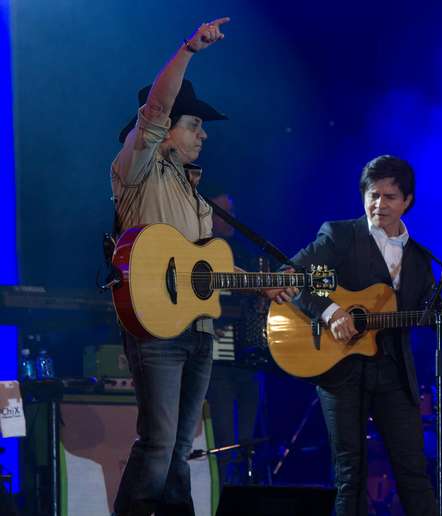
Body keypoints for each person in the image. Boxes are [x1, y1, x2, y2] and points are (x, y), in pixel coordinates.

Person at [268, 155, 442, 515]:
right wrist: (332, 311)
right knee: (350, 475)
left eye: (390, 197)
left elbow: (434, 313)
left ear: (407, 202)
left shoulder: (418, 257)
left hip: (394, 373)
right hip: (341, 370)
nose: (379, 204)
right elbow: (289, 276)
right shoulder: (339, 235)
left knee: (413, 473)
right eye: (373, 194)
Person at [110, 18, 230, 516]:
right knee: (159, 445)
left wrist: (263, 285)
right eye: (194, 123)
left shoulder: (197, 194)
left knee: (182, 450)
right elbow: (157, 108)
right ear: (164, 134)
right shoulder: (137, 168)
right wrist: (189, 49)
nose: (202, 133)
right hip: (156, 329)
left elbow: (203, 271)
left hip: (198, 330)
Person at [205, 193, 270, 486]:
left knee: (247, 439)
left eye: (232, 212)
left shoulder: (247, 253)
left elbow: (260, 302)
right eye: (222, 213)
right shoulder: (200, 251)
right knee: (224, 438)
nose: (229, 219)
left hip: (249, 358)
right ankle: (222, 494)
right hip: (218, 359)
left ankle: (246, 494)